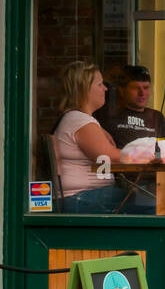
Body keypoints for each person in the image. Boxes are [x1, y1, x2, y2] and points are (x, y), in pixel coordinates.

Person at [52, 62, 124, 214]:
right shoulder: (79, 121)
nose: (105, 88)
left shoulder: (77, 119)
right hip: (81, 198)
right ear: (83, 90)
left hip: (83, 197)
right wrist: (144, 154)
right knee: (150, 202)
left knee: (141, 199)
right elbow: (109, 157)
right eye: (100, 84)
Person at [104, 64, 165, 212]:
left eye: (146, 88)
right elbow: (106, 154)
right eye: (136, 88)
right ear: (121, 90)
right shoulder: (110, 118)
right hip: (125, 186)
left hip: (158, 183)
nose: (142, 93)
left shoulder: (156, 117)